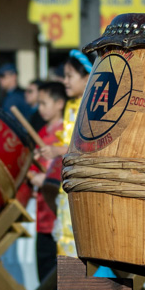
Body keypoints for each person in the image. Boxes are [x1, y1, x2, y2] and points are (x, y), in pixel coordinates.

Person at [49, 51, 92, 259]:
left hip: (85, 184)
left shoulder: (93, 106)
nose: (64, 81)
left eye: (70, 76)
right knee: (66, 240)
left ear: (87, 78)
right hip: (68, 181)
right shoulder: (71, 106)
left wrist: (59, 150)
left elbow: (89, 146)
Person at [26, 81, 68, 281]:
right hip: (43, 207)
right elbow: (32, 169)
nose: (40, 108)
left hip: (60, 209)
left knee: (59, 258)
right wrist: (34, 176)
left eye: (44, 103)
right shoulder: (41, 132)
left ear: (60, 103)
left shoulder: (66, 132)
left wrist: (48, 178)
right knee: (43, 257)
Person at [0, 64, 39, 129]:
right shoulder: (7, 96)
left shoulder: (18, 96)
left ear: (13, 76)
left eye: (3, 76)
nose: (0, 79)